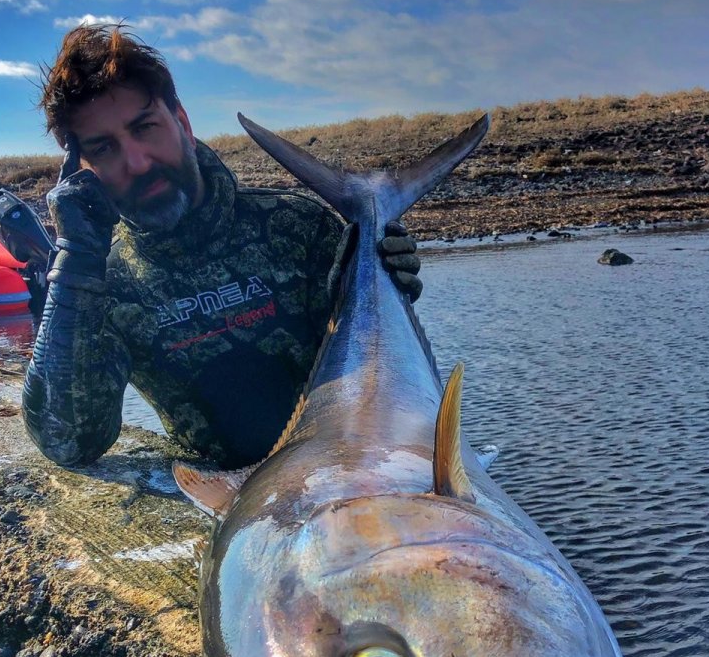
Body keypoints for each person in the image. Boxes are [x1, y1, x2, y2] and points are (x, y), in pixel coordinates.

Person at [24, 25, 421, 469]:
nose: (137, 162)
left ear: (183, 123)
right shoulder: (105, 283)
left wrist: (386, 275)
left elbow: (383, 378)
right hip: (232, 505)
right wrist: (75, 257)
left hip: (354, 475)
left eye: (145, 127)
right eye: (104, 148)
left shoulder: (299, 225)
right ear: (81, 169)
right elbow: (68, 443)